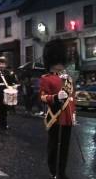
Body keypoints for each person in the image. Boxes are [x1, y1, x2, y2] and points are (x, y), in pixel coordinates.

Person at [40, 39, 76, 179]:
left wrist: (73, 114)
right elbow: (43, 97)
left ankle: (62, 171)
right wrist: (55, 97)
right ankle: (53, 170)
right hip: (55, 116)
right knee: (54, 145)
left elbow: (72, 98)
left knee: (65, 147)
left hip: (67, 117)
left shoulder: (68, 78)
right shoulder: (46, 78)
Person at [0, 56, 18, 130]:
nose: (1, 65)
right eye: (0, 63)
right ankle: (2, 124)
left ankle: (5, 123)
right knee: (0, 109)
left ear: (5, 64)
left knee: (5, 109)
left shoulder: (8, 72)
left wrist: (14, 85)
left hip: (7, 93)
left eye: (3, 63)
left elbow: (13, 81)